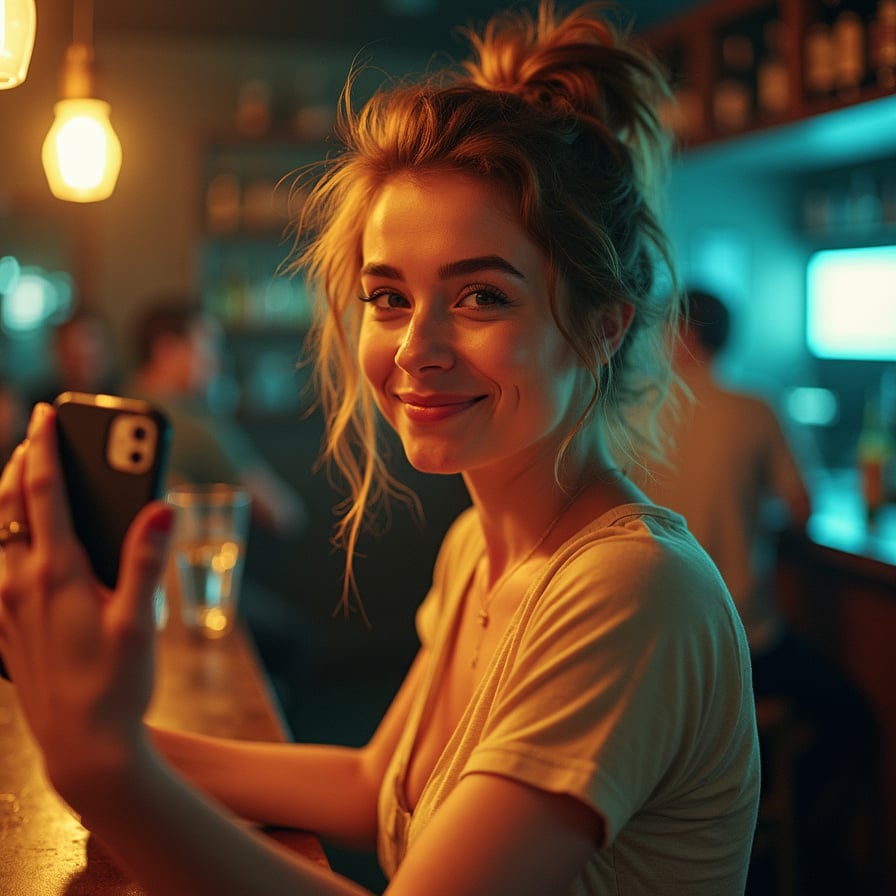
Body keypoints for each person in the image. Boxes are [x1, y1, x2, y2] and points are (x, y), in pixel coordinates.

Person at [0, 5, 760, 894]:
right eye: (389, 297)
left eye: (481, 297)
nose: (415, 349)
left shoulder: (631, 590)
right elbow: (375, 789)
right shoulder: (480, 547)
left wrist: (109, 773)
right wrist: (96, 732)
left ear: (601, 326)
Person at [637, 287, 881, 895]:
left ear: (682, 334)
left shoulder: (632, 409)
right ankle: (801, 853)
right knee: (853, 717)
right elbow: (802, 508)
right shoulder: (753, 407)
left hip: (648, 651)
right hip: (746, 647)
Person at [122, 295, 308, 538]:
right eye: (208, 347)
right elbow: (282, 514)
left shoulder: (119, 404)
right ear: (166, 351)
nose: (217, 362)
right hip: (193, 567)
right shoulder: (196, 426)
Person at [28, 307, 120, 406]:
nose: (85, 350)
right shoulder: (43, 405)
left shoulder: (121, 399)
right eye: (74, 343)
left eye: (90, 339)